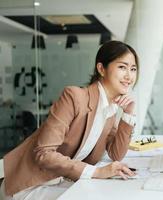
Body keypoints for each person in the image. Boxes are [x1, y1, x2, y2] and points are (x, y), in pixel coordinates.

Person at [0, 40, 139, 200]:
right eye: (122, 67)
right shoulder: (74, 97)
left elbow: (116, 154)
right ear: (101, 69)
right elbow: (44, 154)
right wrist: (97, 172)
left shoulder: (110, 108)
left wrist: (128, 113)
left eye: (133, 69)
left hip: (61, 180)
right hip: (30, 184)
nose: (129, 76)